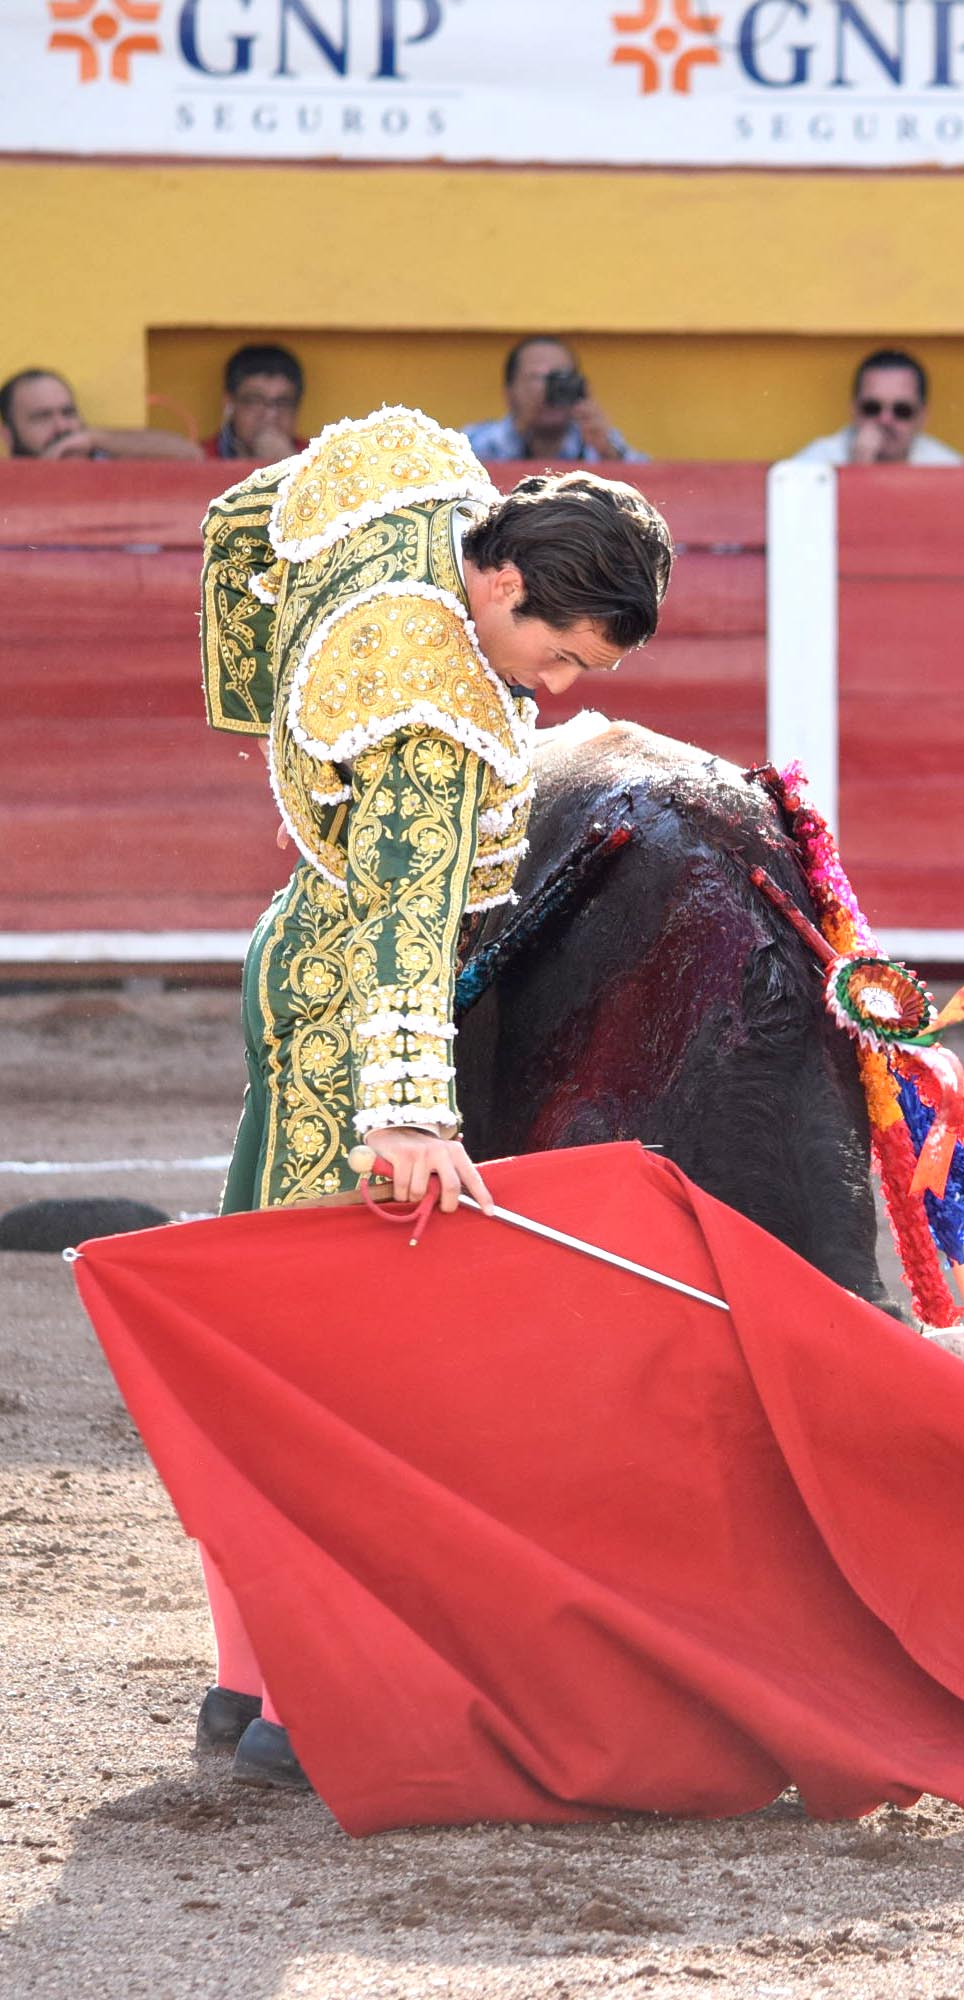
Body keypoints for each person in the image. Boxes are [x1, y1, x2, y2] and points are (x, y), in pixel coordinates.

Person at [197, 405, 673, 1785]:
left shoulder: (416, 492)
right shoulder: (438, 718)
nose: (562, 692)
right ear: (503, 585)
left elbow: (240, 529)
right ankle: (299, 1697)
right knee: (325, 1357)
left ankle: (242, 1682)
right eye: (558, 652)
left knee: (256, 1312)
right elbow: (409, 928)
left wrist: (270, 717)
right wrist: (406, 1113)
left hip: (291, 938)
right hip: (352, 1005)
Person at [464, 336, 647, 464]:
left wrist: (610, 454)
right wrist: (516, 433)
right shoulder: (473, 443)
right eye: (536, 377)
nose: (549, 387)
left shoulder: (597, 443)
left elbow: (650, 483)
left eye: (560, 377)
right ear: (509, 392)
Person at [792, 348, 964, 467]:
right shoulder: (816, 462)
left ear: (922, 416)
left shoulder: (947, 467)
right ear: (854, 410)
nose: (885, 420)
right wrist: (856, 469)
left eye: (902, 410)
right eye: (872, 408)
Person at [0, 368, 203, 460]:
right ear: (7, 435)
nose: (62, 426)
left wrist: (94, 438)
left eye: (68, 413)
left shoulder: (108, 463)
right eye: (42, 417)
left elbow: (190, 455)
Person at [204, 343, 309, 461]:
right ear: (229, 403)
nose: (270, 415)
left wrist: (291, 463)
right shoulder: (202, 458)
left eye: (283, 403)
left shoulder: (317, 461)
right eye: (255, 401)